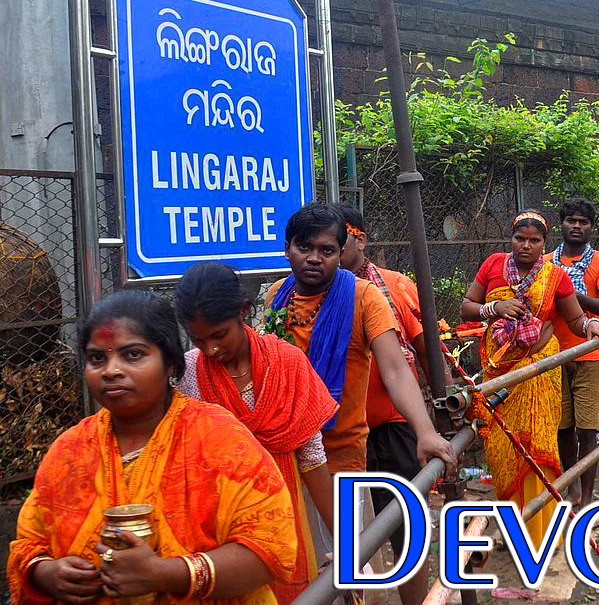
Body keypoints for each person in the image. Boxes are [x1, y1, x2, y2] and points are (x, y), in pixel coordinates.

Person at [8, 290, 297, 605]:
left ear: (171, 363)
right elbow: (29, 544)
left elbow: (270, 548)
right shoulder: (69, 451)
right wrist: (46, 574)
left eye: (132, 355)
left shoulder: (221, 440)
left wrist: (167, 574)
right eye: (96, 358)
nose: (111, 370)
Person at [263, 204, 457, 568]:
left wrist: (426, 432)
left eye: (327, 250)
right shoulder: (278, 296)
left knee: (345, 567)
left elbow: (396, 370)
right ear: (286, 248)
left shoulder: (366, 297)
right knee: (294, 563)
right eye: (304, 248)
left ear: (341, 252)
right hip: (284, 455)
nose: (314, 258)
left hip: (340, 455)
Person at [175, 263, 339, 604]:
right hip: (215, 530)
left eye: (219, 334)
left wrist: (345, 543)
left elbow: (311, 457)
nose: (210, 350)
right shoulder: (186, 373)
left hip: (284, 519)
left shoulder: (288, 362)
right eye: (199, 339)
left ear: (243, 312)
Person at [460, 210, 599, 544]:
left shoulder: (556, 276)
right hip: (498, 369)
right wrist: (493, 309)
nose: (526, 246)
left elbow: (575, 320)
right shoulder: (493, 265)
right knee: (502, 450)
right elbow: (467, 306)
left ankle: (542, 534)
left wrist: (592, 326)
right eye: (520, 238)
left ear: (544, 243)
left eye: (534, 240)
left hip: (540, 368)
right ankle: (514, 528)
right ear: (511, 238)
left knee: (538, 444)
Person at [337, 205, 449, 605]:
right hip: (334, 439)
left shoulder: (395, 287)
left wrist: (445, 410)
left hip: (392, 427)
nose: (326, 252)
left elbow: (423, 351)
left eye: (337, 241)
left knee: (404, 527)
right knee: (345, 539)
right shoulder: (299, 294)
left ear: (359, 240)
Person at [543, 198, 599, 508]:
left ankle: (586, 497)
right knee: (563, 429)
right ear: (561, 224)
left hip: (588, 354)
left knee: (587, 429)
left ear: (591, 228)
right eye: (571, 220)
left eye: (583, 222)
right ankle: (570, 488)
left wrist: (572, 297)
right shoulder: (546, 261)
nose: (576, 226)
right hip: (553, 354)